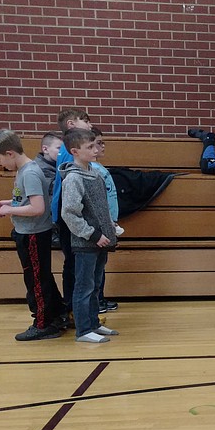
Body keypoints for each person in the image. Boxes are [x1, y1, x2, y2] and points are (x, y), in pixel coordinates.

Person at [0, 130, 64, 341]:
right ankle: (56, 315)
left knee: (36, 281)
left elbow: (37, 208)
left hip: (33, 235)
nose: (0, 164)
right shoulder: (25, 170)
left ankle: (43, 323)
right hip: (28, 233)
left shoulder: (29, 172)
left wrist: (10, 211)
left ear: (10, 153)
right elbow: (28, 201)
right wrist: (9, 202)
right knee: (41, 277)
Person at [60, 127, 119, 343]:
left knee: (95, 285)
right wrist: (92, 234)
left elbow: (98, 208)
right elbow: (70, 213)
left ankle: (93, 323)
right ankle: (83, 330)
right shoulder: (73, 179)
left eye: (96, 145)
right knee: (84, 287)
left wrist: (109, 226)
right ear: (75, 151)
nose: (96, 150)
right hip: (86, 243)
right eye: (90, 147)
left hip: (100, 242)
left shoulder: (94, 174)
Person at [51, 107, 95, 323]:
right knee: (74, 264)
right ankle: (75, 312)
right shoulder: (72, 151)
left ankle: (78, 311)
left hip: (62, 208)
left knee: (73, 264)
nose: (89, 125)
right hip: (65, 208)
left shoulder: (67, 150)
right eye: (85, 121)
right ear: (71, 125)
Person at [89, 127, 121, 313]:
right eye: (98, 143)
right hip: (100, 224)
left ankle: (99, 297)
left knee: (101, 264)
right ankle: (96, 300)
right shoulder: (92, 170)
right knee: (95, 266)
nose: (102, 146)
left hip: (108, 221)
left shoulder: (99, 168)